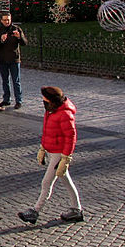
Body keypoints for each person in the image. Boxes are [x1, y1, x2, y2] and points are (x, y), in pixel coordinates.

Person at [18, 86, 84, 225]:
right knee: (66, 180)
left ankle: (35, 211)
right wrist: (43, 148)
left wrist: (65, 158)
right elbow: (47, 132)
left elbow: (71, 137)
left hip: (59, 154)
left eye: (45, 98)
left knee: (46, 183)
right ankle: (76, 209)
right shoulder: (51, 111)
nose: (43, 101)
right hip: (52, 151)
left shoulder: (64, 115)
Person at [0, 12, 28, 109]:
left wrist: (19, 37)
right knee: (5, 80)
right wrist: (1, 40)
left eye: (8, 19)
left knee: (16, 81)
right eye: (5, 20)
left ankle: (18, 100)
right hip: (3, 58)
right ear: (1, 20)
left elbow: (24, 43)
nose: (7, 21)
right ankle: (6, 99)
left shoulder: (16, 29)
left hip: (14, 59)